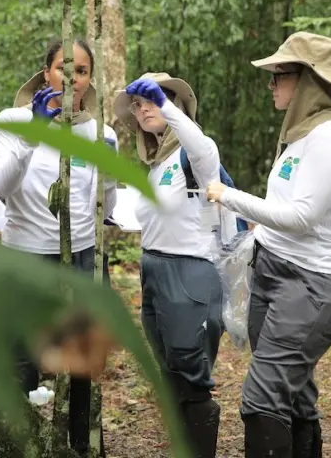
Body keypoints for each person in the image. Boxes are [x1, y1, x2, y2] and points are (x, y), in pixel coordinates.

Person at [205, 32, 331, 458]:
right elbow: (284, 208)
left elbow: (302, 218)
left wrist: (227, 195)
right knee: (294, 396)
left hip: (309, 287)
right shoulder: (301, 137)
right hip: (273, 273)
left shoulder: (330, 138)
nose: (272, 85)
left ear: (307, 80)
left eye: (279, 76)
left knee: (262, 400)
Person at [0, 38, 117, 457]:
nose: (72, 78)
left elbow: (106, 205)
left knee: (80, 359)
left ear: (89, 80)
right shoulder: (13, 120)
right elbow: (0, 186)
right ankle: (18, 443)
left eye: (81, 71)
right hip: (25, 254)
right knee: (21, 356)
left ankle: (79, 445)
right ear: (46, 73)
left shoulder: (100, 133)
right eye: (64, 68)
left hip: (79, 256)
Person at [112, 73, 225, 458]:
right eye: (139, 104)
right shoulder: (158, 164)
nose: (144, 109)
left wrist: (166, 105)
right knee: (169, 372)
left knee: (192, 377)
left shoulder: (194, 155)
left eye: (152, 101)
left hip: (190, 273)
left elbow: (204, 147)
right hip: (154, 270)